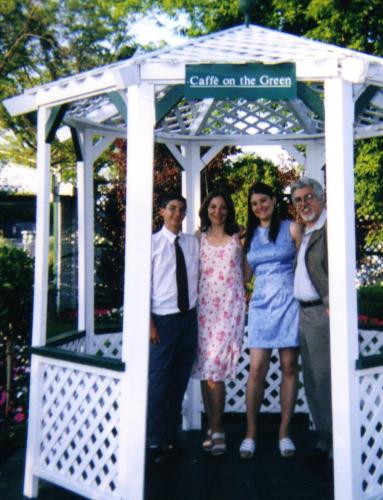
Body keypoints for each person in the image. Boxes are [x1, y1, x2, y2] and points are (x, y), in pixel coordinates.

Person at [239, 182, 302, 460]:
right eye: (254, 204)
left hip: (289, 304)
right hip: (262, 307)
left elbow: (307, 267)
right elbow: (244, 277)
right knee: (256, 370)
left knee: (289, 367)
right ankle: (250, 433)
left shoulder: (292, 228)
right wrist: (235, 247)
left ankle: (284, 433)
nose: (259, 207)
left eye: (263, 201)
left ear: (274, 200)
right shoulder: (249, 236)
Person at [147, 193, 199, 466]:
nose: (177, 214)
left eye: (182, 210)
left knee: (179, 381)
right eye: (172, 209)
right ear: (162, 211)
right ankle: (154, 440)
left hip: (188, 320)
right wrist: (150, 324)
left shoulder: (192, 243)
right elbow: (140, 288)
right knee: (158, 383)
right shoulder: (151, 245)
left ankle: (170, 436)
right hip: (162, 322)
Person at [192, 191, 246, 455]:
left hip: (228, 311)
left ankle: (218, 429)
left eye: (223, 207)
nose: (218, 211)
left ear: (229, 210)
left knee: (215, 372)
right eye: (213, 206)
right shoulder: (197, 238)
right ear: (206, 209)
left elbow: (246, 274)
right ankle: (211, 429)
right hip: (203, 312)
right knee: (205, 372)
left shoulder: (238, 238)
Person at [291, 177, 332, 465]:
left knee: (325, 379)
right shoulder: (307, 230)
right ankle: (325, 437)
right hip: (303, 313)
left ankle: (337, 442)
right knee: (312, 380)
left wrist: (332, 303)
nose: (304, 204)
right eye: (298, 200)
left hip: (322, 312)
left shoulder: (329, 229)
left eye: (308, 198)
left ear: (320, 198)